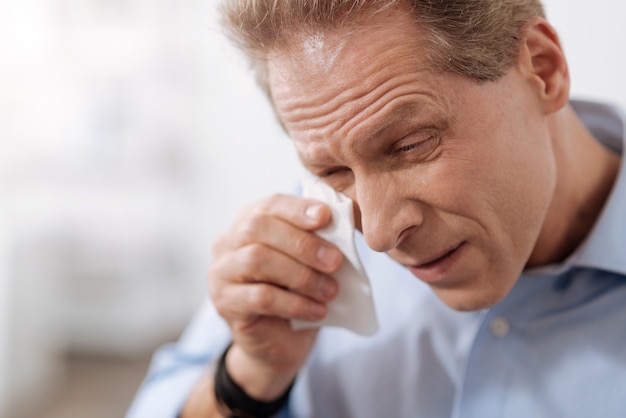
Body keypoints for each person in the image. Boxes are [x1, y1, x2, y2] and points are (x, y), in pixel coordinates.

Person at [127, 0, 626, 417]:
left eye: (410, 145)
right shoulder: (311, 245)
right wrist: (249, 377)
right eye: (331, 172)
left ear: (543, 68)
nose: (380, 235)